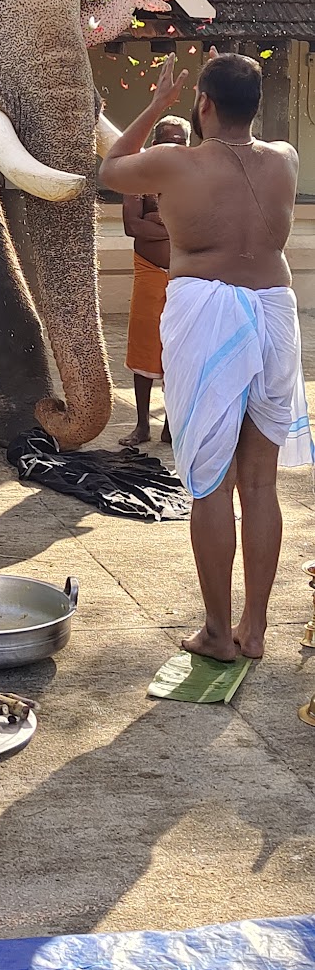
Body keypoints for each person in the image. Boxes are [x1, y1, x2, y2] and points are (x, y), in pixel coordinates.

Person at [99, 49, 313, 662]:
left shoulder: (174, 162)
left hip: (207, 315)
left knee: (212, 482)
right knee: (260, 482)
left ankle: (218, 633)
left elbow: (111, 168)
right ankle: (254, 628)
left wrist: (157, 104)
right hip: (274, 310)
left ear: (204, 104)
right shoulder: (286, 158)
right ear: (257, 105)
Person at [120, 115, 191, 448]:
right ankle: (141, 425)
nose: (173, 147)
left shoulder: (194, 178)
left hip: (185, 275)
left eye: (180, 142)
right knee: (144, 346)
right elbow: (132, 226)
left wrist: (155, 219)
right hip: (149, 270)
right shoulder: (139, 176)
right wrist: (172, 228)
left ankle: (170, 426)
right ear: (154, 144)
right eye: (167, 141)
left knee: (179, 349)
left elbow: (200, 226)